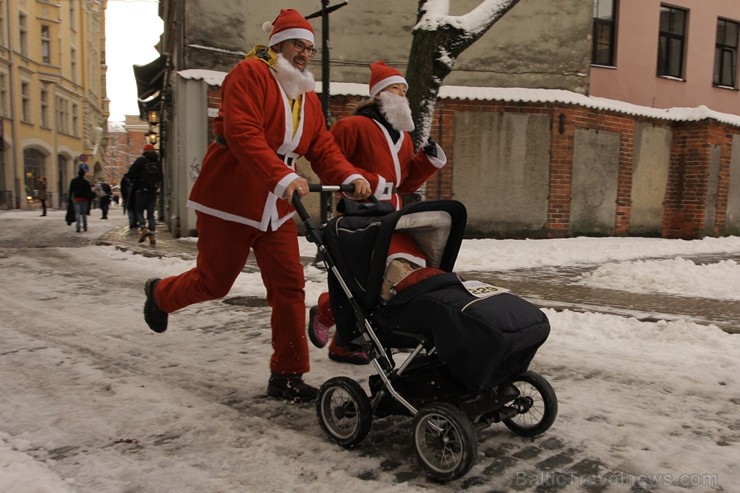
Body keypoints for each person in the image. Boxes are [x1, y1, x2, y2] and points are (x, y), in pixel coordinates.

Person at [141, 9, 383, 403]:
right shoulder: (249, 74)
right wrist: (283, 176)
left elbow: (321, 146)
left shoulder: (304, 95)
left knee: (289, 287)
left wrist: (350, 177)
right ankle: (161, 295)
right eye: (297, 45)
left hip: (277, 205)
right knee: (214, 282)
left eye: (309, 48)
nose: (304, 54)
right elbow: (243, 133)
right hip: (231, 197)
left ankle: (287, 374)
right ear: (277, 44)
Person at [307, 61, 447, 364]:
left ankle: (338, 331)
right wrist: (369, 182)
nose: (404, 94)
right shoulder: (352, 126)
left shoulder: (403, 137)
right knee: (368, 280)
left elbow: (405, 181)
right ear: (381, 93)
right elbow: (329, 165)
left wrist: (427, 162)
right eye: (398, 88)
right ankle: (334, 324)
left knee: (385, 280)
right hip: (359, 215)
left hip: (393, 215)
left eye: (405, 90)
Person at [128, 145, 162, 245]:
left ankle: (143, 229)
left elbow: (130, 173)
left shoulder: (140, 161)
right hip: (153, 191)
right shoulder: (158, 162)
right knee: (151, 214)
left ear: (145, 151)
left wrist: (133, 180)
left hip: (141, 190)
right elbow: (160, 177)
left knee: (139, 211)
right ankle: (152, 235)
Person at [69, 167, 94, 232]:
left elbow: (71, 190)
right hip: (84, 199)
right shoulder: (86, 182)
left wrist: (70, 197)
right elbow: (89, 191)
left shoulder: (73, 181)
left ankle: (78, 227)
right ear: (83, 174)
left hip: (76, 199)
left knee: (77, 213)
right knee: (84, 214)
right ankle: (85, 226)